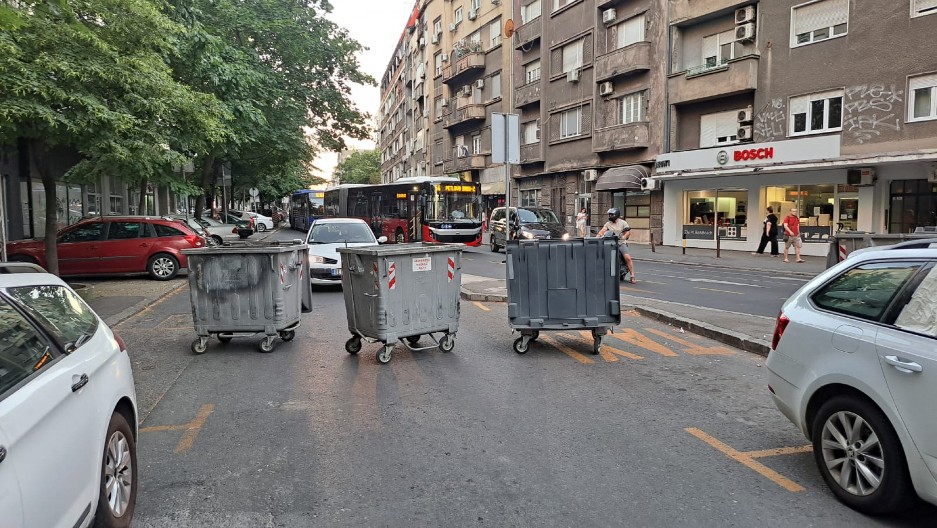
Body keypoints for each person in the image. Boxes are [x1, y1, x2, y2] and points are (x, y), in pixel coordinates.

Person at [597, 207, 636, 284]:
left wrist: (624, 236)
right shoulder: (608, 224)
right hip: (610, 243)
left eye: (610, 215)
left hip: (621, 243)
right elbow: (602, 231)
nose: (609, 216)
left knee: (627, 257)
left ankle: (632, 275)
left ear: (615, 215)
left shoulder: (623, 223)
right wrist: (598, 236)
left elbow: (628, 232)